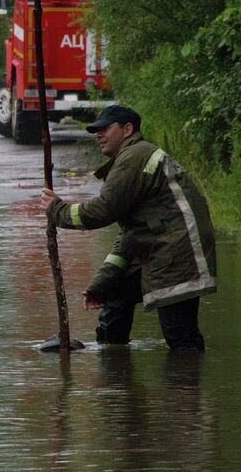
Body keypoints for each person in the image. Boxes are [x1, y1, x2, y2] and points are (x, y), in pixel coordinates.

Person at [39, 105, 217, 350]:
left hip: (177, 253)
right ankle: (113, 357)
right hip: (166, 246)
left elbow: (103, 210)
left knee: (180, 335)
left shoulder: (133, 156)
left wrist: (57, 210)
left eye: (105, 128)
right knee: (116, 291)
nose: (98, 134)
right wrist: (100, 285)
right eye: (96, 130)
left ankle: (184, 384)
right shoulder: (132, 157)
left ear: (128, 129)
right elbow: (129, 238)